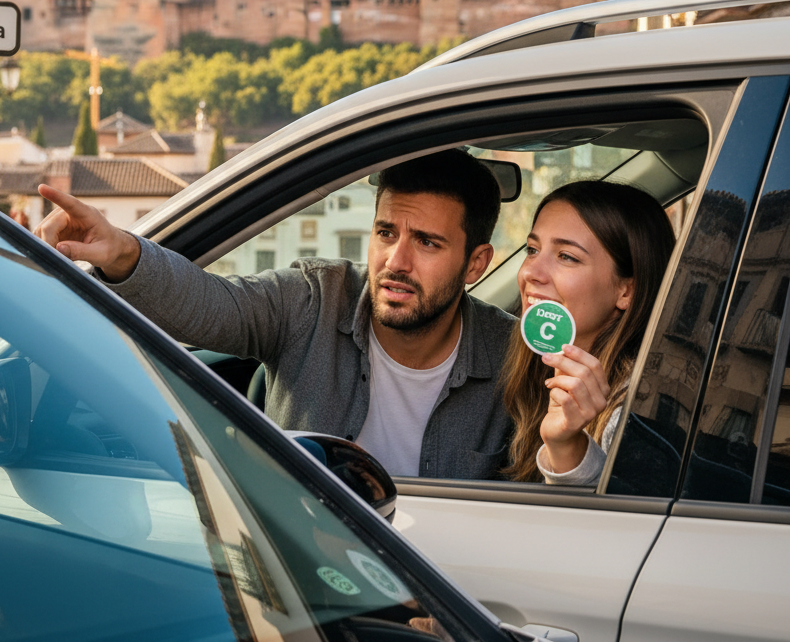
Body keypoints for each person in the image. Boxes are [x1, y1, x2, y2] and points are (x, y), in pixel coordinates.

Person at [36, 149, 516, 479]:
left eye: (427, 243)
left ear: (476, 263)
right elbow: (208, 304)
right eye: (386, 233)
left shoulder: (513, 358)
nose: (396, 261)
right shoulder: (314, 299)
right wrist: (121, 252)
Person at [502, 179, 676, 485]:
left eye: (567, 256)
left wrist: (567, 449)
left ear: (626, 291)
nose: (530, 272)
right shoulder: (526, 366)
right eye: (532, 249)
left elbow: (618, 512)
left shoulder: (636, 417)